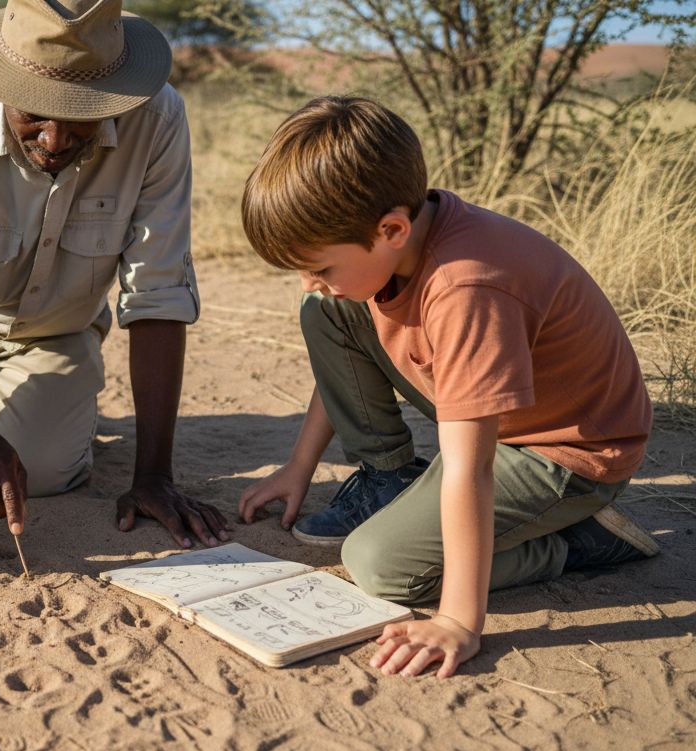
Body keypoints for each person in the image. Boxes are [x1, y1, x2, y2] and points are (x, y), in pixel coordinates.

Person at [237, 96, 658, 678]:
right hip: (498, 417)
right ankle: (389, 478)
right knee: (325, 313)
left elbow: (470, 468)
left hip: (566, 453)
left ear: (390, 229)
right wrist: (297, 469)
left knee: (378, 563)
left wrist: (459, 621)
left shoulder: (466, 288)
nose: (311, 282)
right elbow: (347, 359)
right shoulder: (399, 248)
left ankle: (578, 540)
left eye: (321, 267)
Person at [0, 0, 228, 549]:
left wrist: (154, 477)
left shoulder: (157, 119)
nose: (55, 141)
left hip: (55, 331)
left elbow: (158, 291)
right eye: (33, 114)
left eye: (80, 114)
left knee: (46, 473)